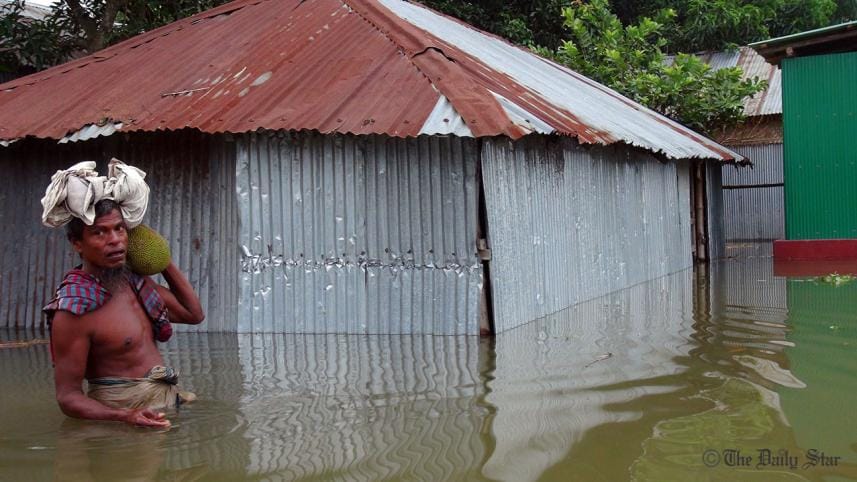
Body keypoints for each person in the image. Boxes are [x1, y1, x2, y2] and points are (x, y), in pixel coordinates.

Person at [44, 199, 204, 428]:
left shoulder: (134, 284)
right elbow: (68, 398)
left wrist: (161, 257)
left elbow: (193, 314)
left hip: (162, 405)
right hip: (121, 422)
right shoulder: (74, 310)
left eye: (119, 228)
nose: (115, 240)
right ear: (77, 243)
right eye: (99, 232)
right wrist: (124, 417)